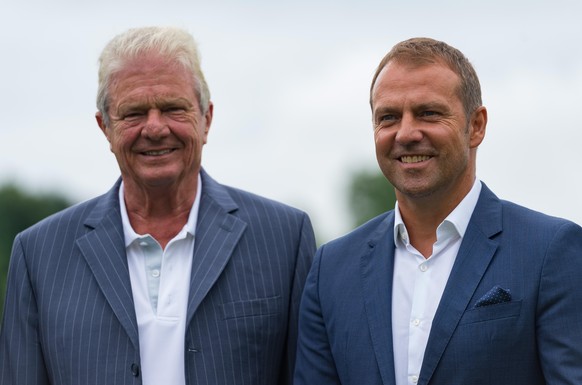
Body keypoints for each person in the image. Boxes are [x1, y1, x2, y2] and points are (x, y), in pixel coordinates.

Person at [0, 26, 316, 385]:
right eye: (133, 113)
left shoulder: (283, 240)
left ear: (206, 119)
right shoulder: (38, 255)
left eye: (172, 108)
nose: (154, 128)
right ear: (105, 128)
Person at [294, 37, 582, 385]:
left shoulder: (549, 252)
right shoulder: (332, 271)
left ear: (476, 126)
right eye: (388, 117)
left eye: (428, 113)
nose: (406, 133)